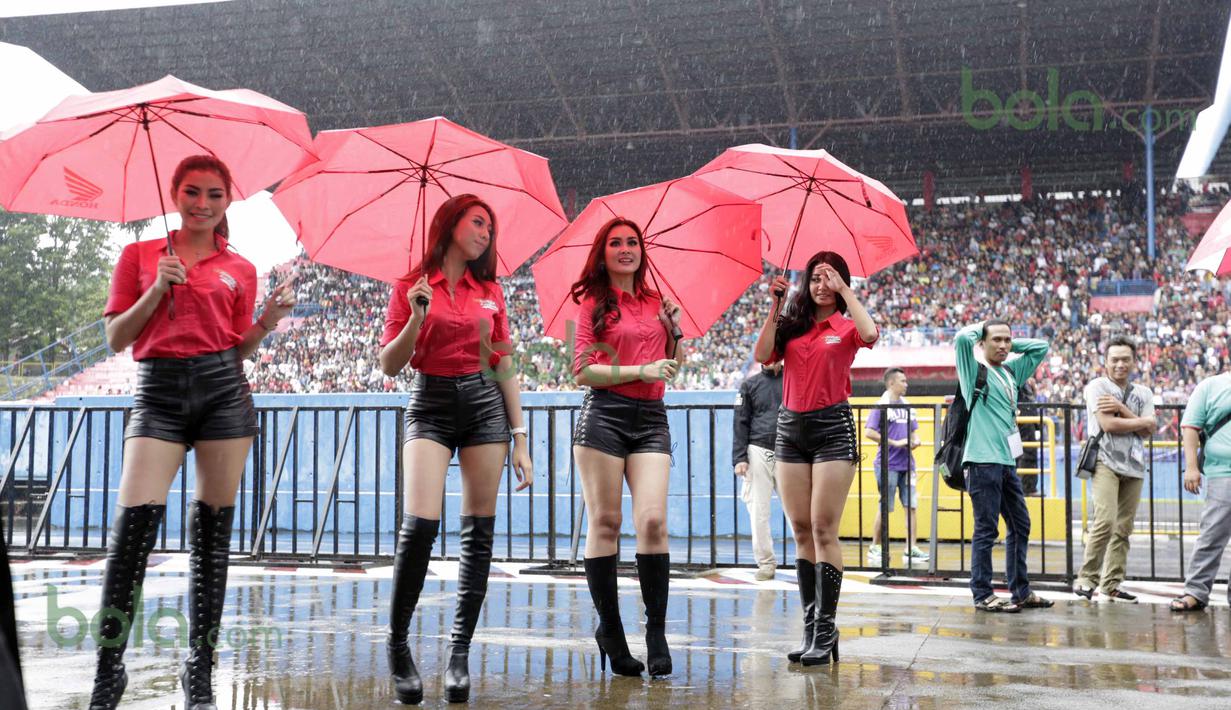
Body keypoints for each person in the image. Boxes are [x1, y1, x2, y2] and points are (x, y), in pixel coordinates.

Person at [89, 155, 296, 710]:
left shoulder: (242, 268)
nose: (202, 204)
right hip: (157, 393)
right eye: (191, 193)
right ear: (175, 194)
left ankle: (198, 670)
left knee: (211, 536)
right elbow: (115, 339)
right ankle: (109, 671)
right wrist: (157, 288)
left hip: (225, 394)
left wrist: (267, 321)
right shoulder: (139, 255)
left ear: (228, 202)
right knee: (133, 530)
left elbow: (239, 348)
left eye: (213, 195)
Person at [379, 194, 532, 704]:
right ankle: (398, 645)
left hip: (485, 405)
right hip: (430, 403)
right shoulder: (409, 286)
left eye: (492, 227)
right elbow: (390, 365)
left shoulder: (489, 291)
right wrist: (416, 318)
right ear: (450, 225)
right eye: (479, 222)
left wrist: (520, 439)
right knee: (419, 525)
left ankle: (459, 653)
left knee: (478, 532)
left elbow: (503, 362)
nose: (487, 233)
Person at [570, 217, 684, 678]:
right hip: (604, 416)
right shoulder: (593, 304)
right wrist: (641, 370)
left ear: (642, 250)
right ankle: (612, 632)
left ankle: (655, 632)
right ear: (603, 253)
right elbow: (581, 370)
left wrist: (675, 333)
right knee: (606, 521)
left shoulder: (659, 303)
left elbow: (673, 367)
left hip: (651, 418)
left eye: (632, 242)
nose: (625, 249)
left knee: (653, 521)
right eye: (615, 243)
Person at [753, 251, 878, 666]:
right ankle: (811, 628)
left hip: (832, 430)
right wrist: (775, 305)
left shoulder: (844, 327)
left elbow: (871, 333)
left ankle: (826, 628)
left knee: (825, 528)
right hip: (790, 431)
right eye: (815, 278)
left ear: (841, 283)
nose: (821, 285)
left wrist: (846, 291)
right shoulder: (792, 327)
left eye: (830, 278)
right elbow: (763, 355)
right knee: (801, 529)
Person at [954, 319, 1052, 613]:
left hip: (1006, 462)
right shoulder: (973, 372)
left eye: (1007, 340)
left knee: (1021, 525)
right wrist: (984, 329)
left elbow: (1041, 348)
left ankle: (1020, 591)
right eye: (995, 340)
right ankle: (982, 593)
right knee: (986, 529)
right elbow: (961, 338)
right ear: (981, 343)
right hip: (983, 462)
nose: (1003, 345)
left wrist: (1009, 345)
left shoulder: (1010, 372)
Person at [1074, 336, 1154, 603]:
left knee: (1123, 528)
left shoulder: (1143, 393)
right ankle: (1087, 578)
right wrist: (1139, 420)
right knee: (1105, 520)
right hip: (1104, 461)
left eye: (1125, 359)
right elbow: (1108, 426)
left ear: (1134, 361)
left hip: (1134, 465)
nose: (1120, 364)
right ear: (1105, 362)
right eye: (1115, 359)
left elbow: (1151, 429)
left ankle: (1112, 583)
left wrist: (1121, 409)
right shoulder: (1097, 386)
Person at [1170, 370, 1231, 613]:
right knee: (1212, 535)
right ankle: (1195, 591)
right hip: (1222, 472)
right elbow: (1191, 427)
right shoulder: (1211, 385)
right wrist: (1191, 468)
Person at [864, 368, 927, 565]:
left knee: (911, 506)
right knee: (885, 506)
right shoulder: (881, 406)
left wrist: (915, 440)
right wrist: (895, 442)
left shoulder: (908, 407)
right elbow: (869, 432)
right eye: (903, 381)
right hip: (887, 464)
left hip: (907, 464)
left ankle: (911, 548)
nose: (906, 384)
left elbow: (914, 430)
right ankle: (875, 546)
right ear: (891, 383)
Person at [733, 361, 784, 580]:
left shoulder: (794, 379)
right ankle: (766, 563)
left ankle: (807, 562)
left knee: (798, 513)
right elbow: (740, 422)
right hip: (757, 451)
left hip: (789, 450)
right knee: (758, 512)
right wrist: (740, 458)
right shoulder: (749, 385)